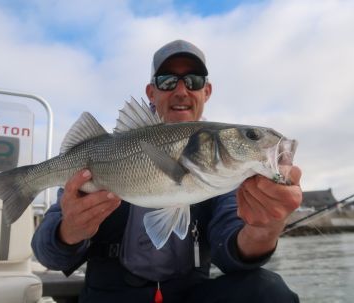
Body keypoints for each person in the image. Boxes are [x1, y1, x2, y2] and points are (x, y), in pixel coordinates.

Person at [32, 39, 303, 303]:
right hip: (110, 293)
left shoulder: (231, 178)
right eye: (168, 81)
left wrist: (264, 229)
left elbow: (231, 250)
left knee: (267, 291)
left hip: (189, 293)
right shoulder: (104, 151)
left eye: (194, 80)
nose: (182, 91)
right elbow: (47, 254)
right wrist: (68, 231)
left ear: (206, 91)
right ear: (152, 92)